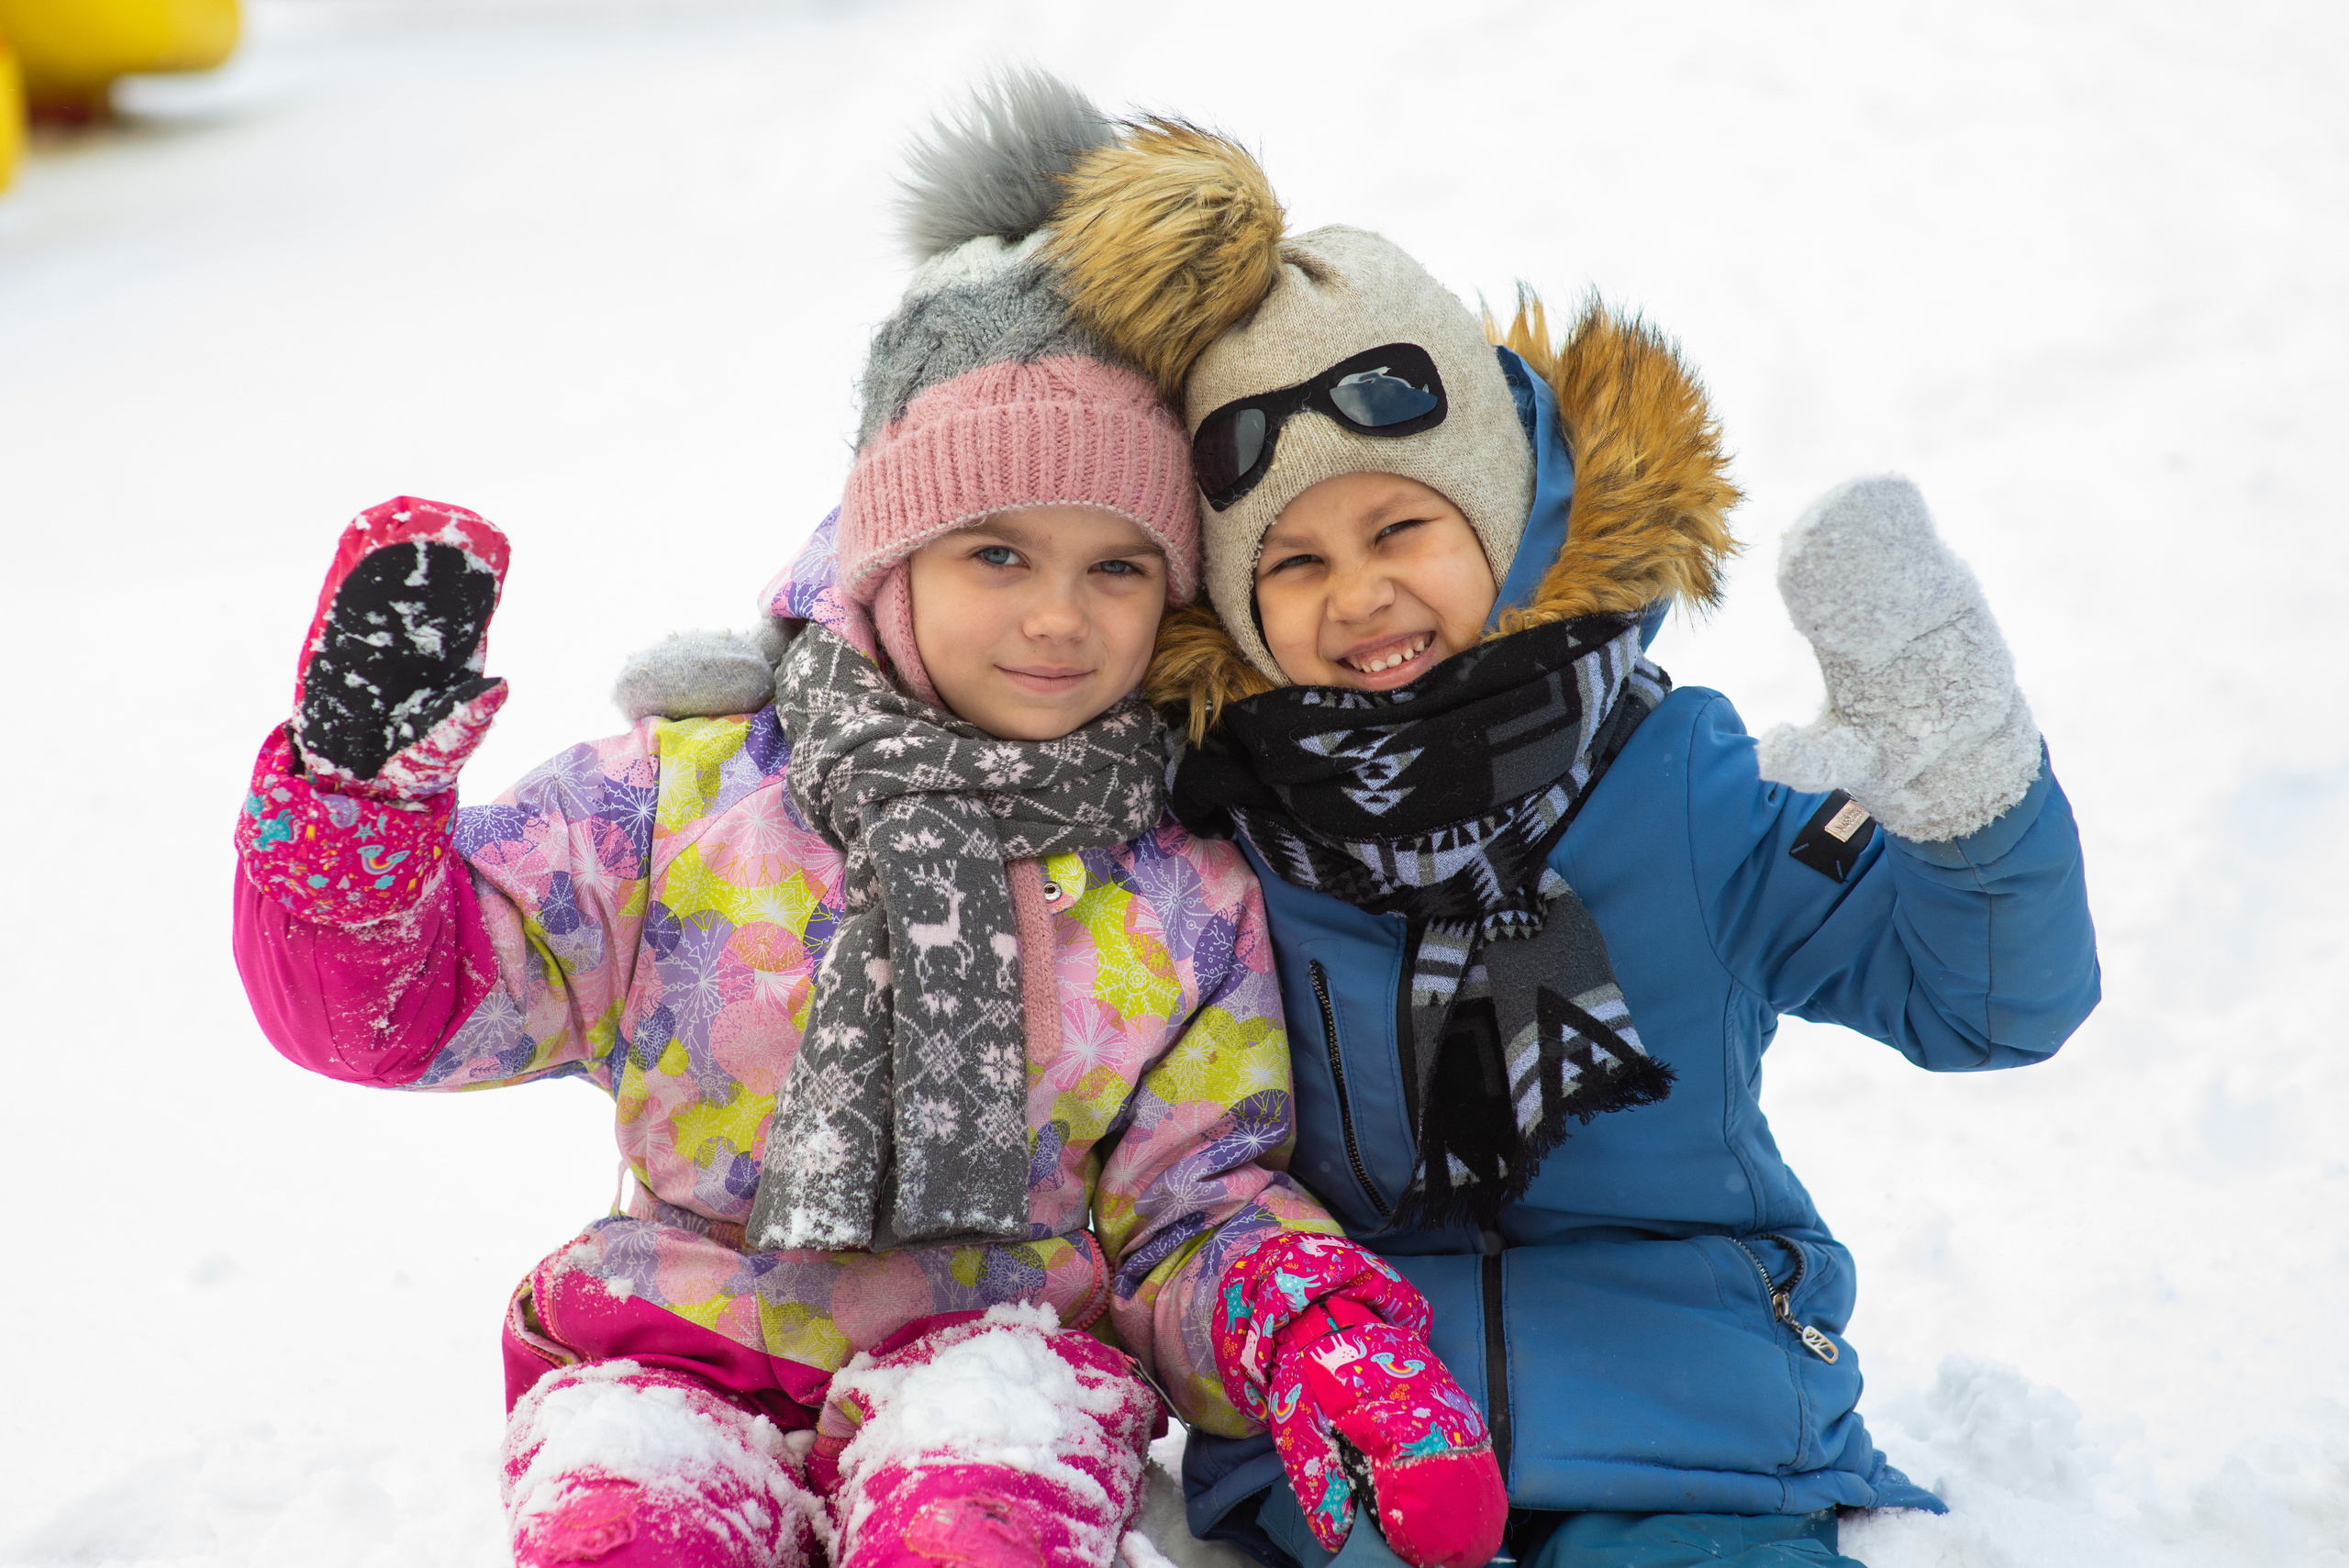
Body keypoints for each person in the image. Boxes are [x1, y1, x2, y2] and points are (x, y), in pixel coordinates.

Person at [228, 80, 1507, 1568]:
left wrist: (1315, 1332)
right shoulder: (681, 802)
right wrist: (357, 808)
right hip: (669, 1345)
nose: (1055, 615)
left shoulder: (1176, 882)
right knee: (630, 1532)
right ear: (886, 556)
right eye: (997, 551)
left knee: (976, 1528)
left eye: (1116, 568)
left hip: (1004, 1362)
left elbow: (1194, 1201)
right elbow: (410, 1004)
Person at [1039, 121, 2102, 1568]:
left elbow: (1991, 1001)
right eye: (1294, 560)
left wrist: (1973, 796)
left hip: (1698, 1435)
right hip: (1356, 1446)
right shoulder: (1223, 844)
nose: (1358, 595)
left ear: (1501, 518)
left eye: (1400, 525)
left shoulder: (1672, 781)